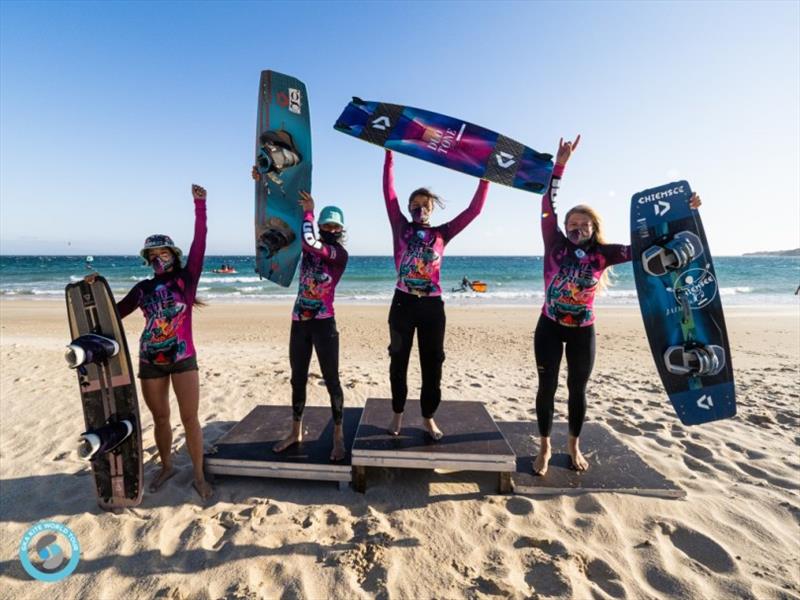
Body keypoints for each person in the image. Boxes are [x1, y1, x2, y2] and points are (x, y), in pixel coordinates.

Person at [533, 136, 701, 475]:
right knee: (547, 387)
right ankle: (546, 447)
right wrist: (560, 165)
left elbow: (649, 243)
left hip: (583, 331)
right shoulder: (553, 241)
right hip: (549, 327)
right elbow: (547, 202)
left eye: (584, 224)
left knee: (577, 389)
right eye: (572, 224)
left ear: (594, 228)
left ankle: (573, 446)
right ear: (564, 227)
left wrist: (687, 210)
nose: (577, 228)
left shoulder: (605, 254)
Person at [86, 184, 212, 500]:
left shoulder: (187, 279)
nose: (159, 259)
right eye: (153, 256)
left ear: (174, 256)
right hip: (149, 360)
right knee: (160, 418)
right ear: (147, 260)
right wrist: (96, 287)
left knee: (189, 418)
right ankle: (167, 466)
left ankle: (198, 475)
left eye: (163, 253)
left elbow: (200, 242)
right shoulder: (142, 289)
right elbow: (113, 314)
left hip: (183, 359)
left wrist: (200, 205)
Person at [383, 149, 490, 439]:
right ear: (408, 207)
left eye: (425, 205)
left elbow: (473, 212)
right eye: (415, 205)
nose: (420, 209)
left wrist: (485, 181)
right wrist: (390, 157)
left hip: (432, 308)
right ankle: (397, 415)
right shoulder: (400, 226)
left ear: (432, 208)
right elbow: (389, 193)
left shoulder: (442, 233)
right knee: (398, 360)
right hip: (402, 304)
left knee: (433, 364)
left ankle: (428, 417)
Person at [274, 191, 349, 461]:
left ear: (341, 229)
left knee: (332, 381)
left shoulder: (339, 254)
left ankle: (338, 436)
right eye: (326, 225)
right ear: (320, 226)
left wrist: (309, 211)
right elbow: (279, 224)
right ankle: (296, 431)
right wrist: (265, 186)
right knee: (297, 379)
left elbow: (310, 241)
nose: (330, 229)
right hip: (299, 322)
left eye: (334, 226)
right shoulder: (308, 246)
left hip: (324, 324)